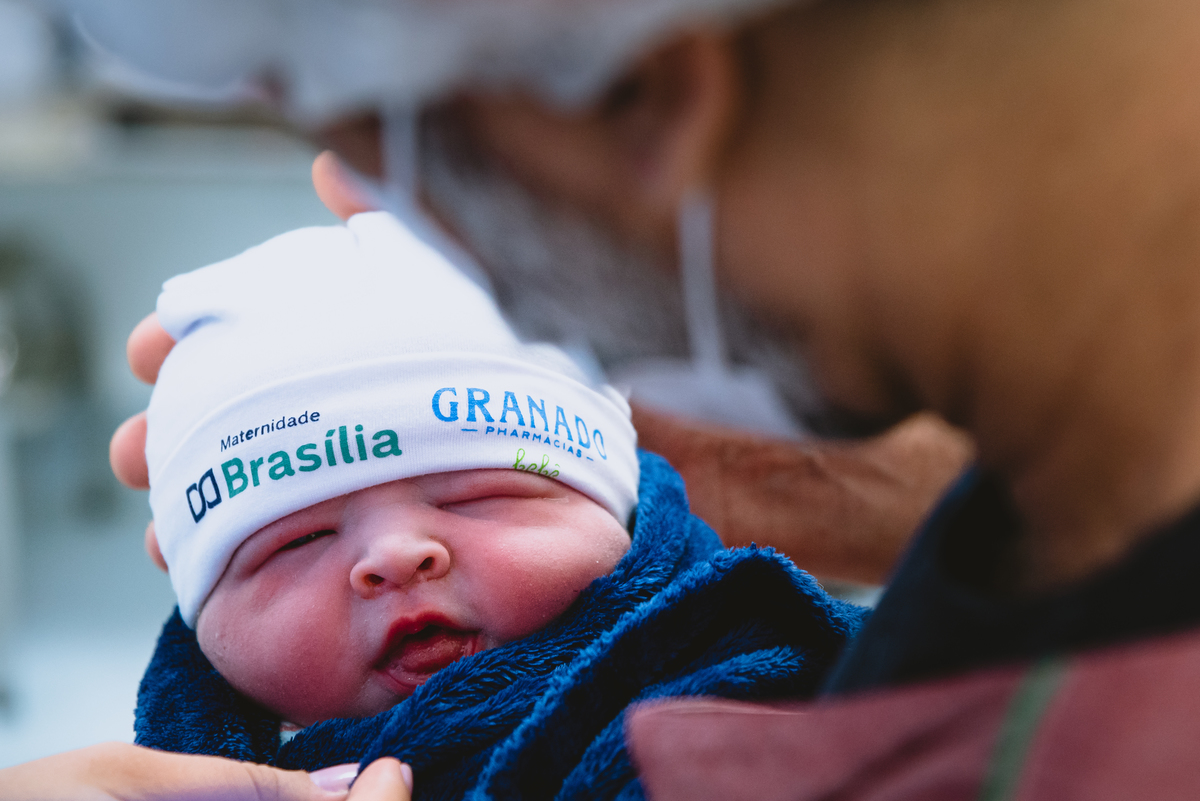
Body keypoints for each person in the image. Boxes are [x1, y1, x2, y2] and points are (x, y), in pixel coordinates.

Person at [28, 0, 1200, 794]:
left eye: (428, 179)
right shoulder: (1056, 552)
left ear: (650, 98)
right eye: (284, 542)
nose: (490, 277)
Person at [130, 209, 864, 799]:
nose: (395, 553)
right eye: (295, 540)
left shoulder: (742, 714)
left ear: (620, 511)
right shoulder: (178, 775)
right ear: (208, 621)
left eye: (480, 494)